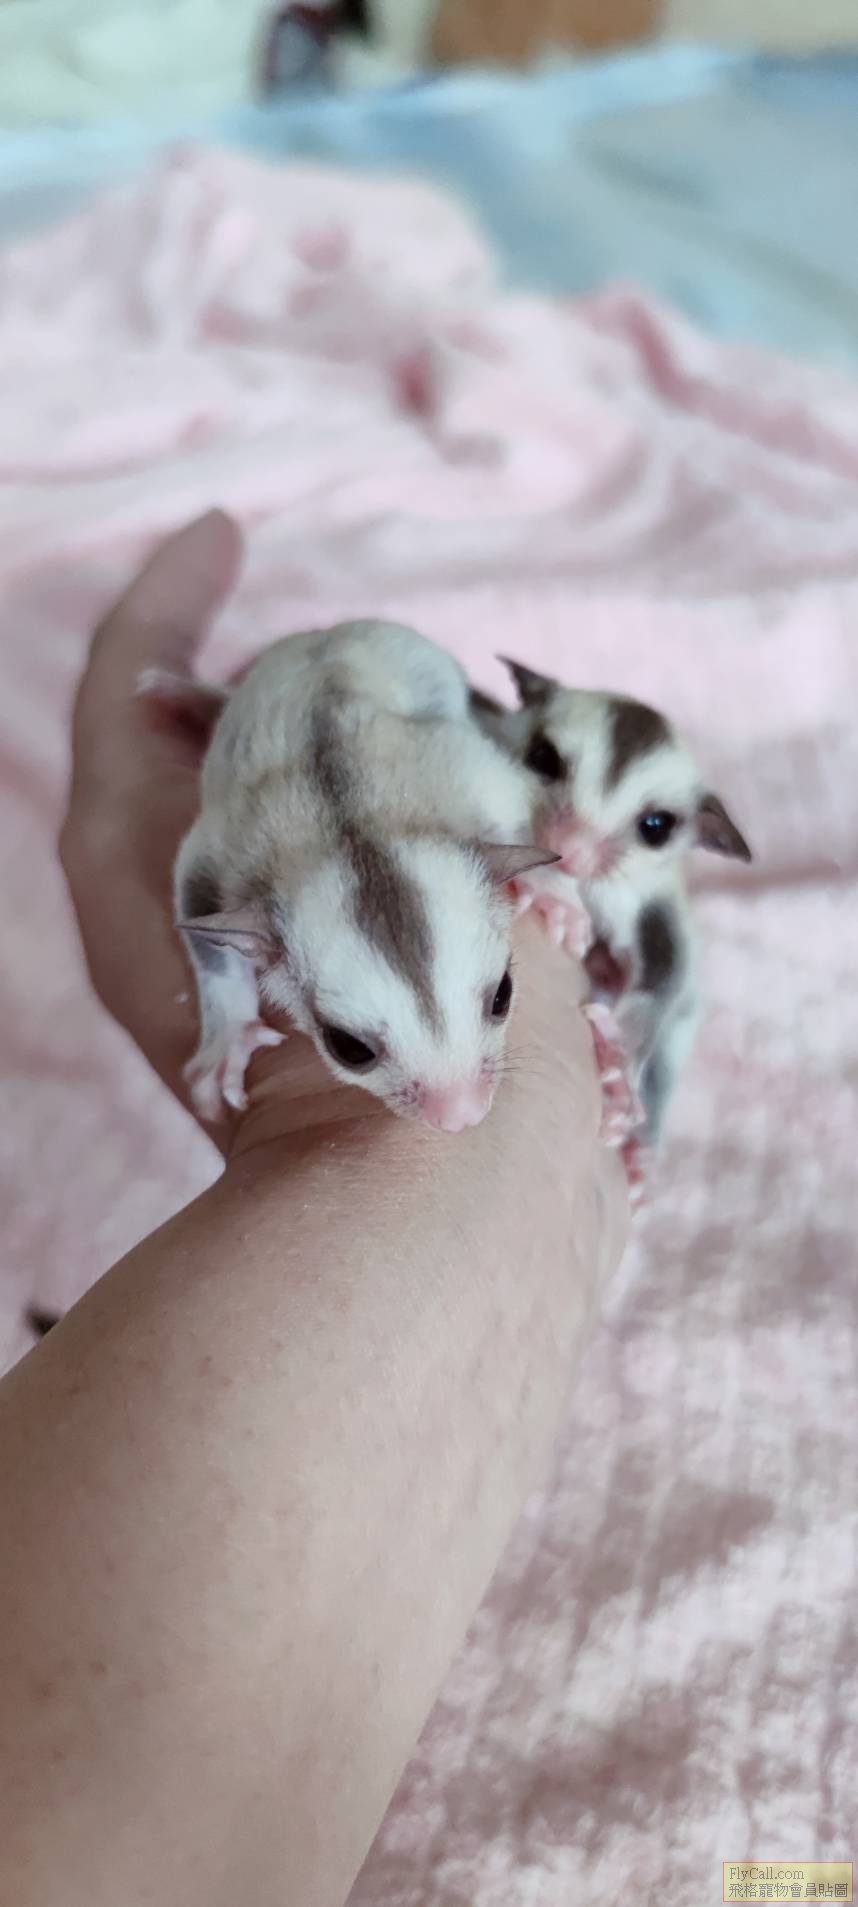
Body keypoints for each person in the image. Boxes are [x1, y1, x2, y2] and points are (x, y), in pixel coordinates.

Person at [0, 511, 628, 1907]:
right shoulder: (236, 882)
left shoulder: (470, 812)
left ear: (499, 883)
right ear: (264, 948)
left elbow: (503, 805)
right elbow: (203, 894)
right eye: (354, 1047)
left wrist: (536, 874)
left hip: (387, 692)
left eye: (496, 999)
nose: (455, 1108)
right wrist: (227, 1009)